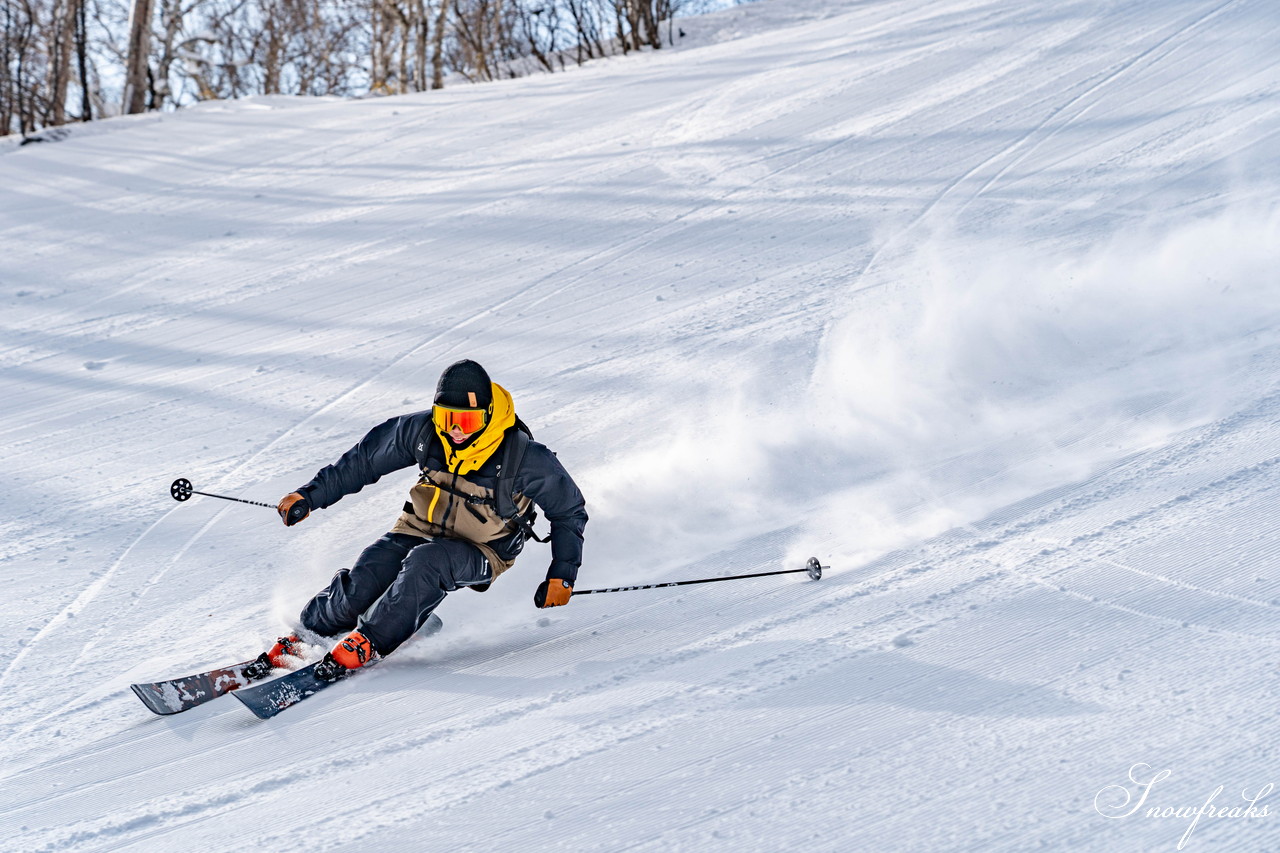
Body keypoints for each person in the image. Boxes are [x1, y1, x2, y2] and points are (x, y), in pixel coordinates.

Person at [266, 359, 587, 680]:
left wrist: (563, 575)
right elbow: (364, 461)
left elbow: (568, 511)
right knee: (368, 575)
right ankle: (310, 634)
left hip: (485, 548)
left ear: (488, 415)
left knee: (427, 563)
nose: (457, 430)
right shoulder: (424, 432)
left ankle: (371, 640)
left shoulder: (526, 458)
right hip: (418, 527)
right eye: (448, 418)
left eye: (467, 420)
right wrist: (309, 496)